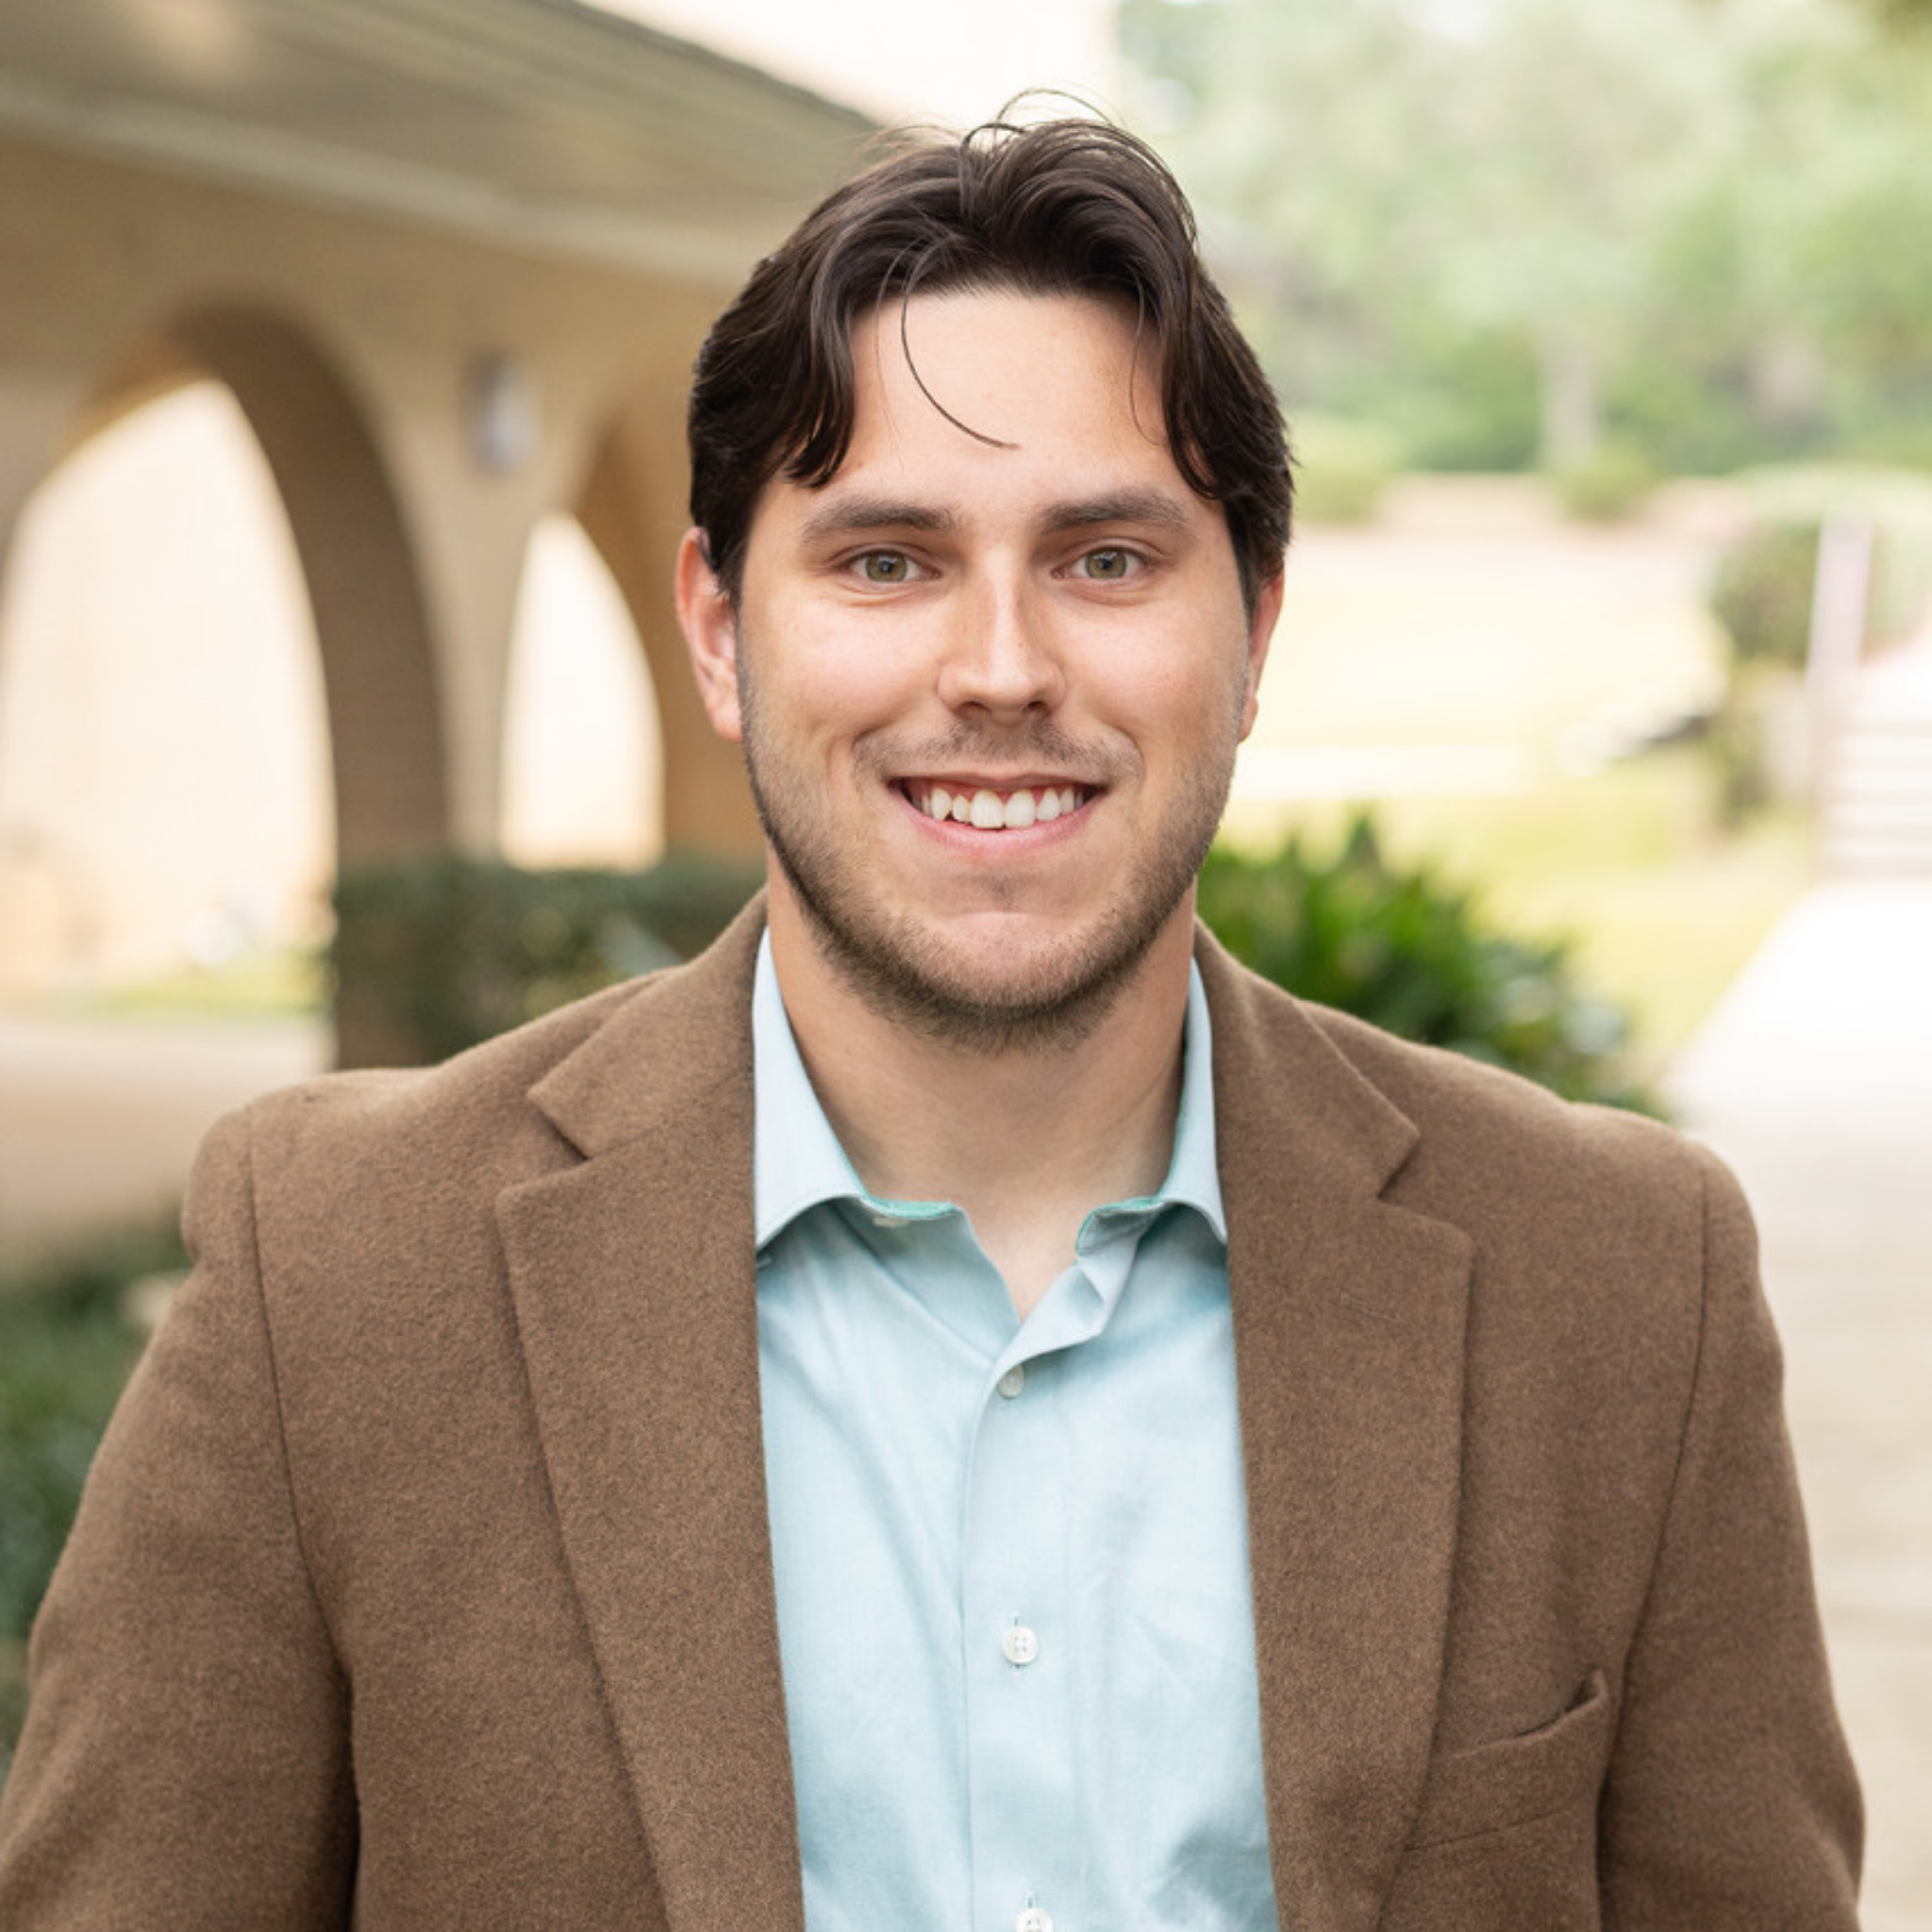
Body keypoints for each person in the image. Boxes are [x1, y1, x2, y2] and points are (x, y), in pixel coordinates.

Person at [0, 115, 1861, 1932]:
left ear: (1255, 628)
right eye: (886, 559)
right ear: (720, 630)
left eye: (1105, 559)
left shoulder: (1620, 1287)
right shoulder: (338, 1278)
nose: (999, 670)